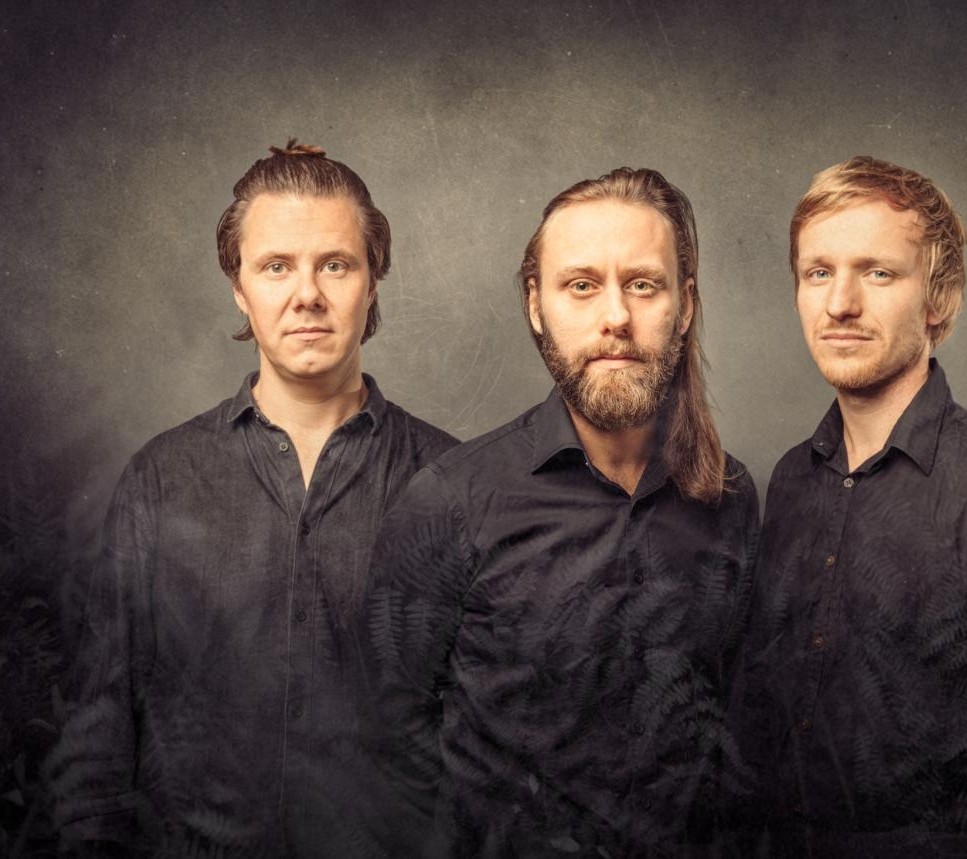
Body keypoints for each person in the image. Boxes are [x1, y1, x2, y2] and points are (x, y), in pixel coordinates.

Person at [45, 140, 457, 856]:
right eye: (275, 266)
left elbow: (485, 743)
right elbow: (98, 733)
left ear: (374, 278)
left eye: (335, 263)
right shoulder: (162, 477)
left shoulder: (450, 482)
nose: (307, 294)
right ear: (239, 287)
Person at [363, 168, 759, 857]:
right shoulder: (450, 501)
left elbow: (735, 730)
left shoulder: (729, 495)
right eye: (581, 285)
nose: (615, 317)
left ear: (685, 305)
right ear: (536, 304)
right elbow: (390, 746)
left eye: (643, 284)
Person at [733, 156, 967, 855]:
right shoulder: (792, 480)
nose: (840, 304)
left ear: (936, 299)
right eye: (818, 272)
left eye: (878, 272)